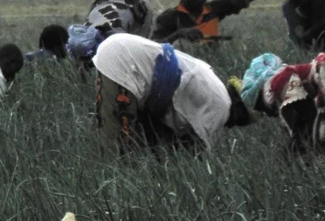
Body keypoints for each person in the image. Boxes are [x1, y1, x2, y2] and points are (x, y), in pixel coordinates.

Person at [92, 33, 253, 152]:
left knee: (136, 144)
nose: (233, 126)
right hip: (123, 62)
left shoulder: (214, 82)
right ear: (239, 104)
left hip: (120, 50)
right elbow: (199, 151)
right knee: (118, 149)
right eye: (244, 119)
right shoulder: (222, 107)